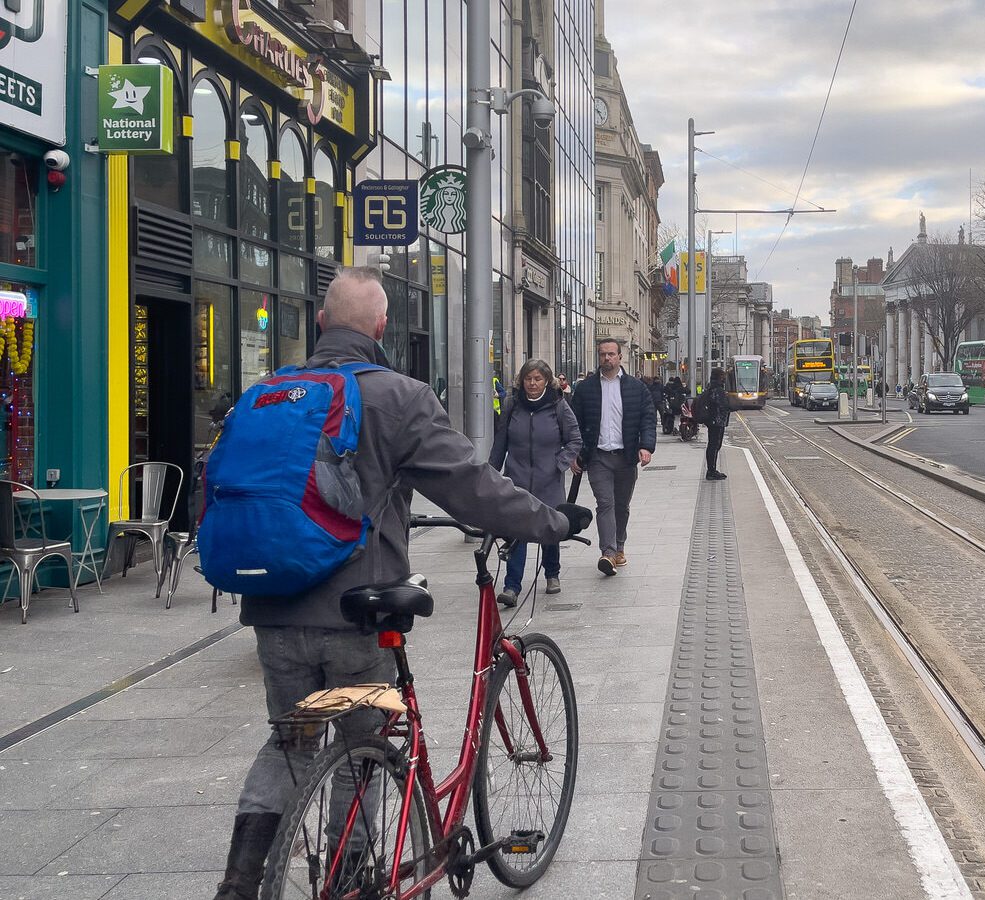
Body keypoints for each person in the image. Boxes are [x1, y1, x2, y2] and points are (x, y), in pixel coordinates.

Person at [211, 267, 584, 900]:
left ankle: (242, 884)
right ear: (381, 328)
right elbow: (473, 487)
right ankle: (351, 882)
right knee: (364, 751)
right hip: (355, 615)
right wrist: (550, 521)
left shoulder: (271, 390)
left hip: (272, 610)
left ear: (322, 322)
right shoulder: (396, 395)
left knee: (291, 743)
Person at [490, 358, 582, 603]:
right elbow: (501, 442)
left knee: (549, 529)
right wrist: (491, 472)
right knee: (517, 531)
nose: (532, 383)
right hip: (517, 478)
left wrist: (559, 463)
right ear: (522, 380)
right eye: (528, 379)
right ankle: (512, 587)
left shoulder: (558, 406)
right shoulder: (511, 404)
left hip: (548, 480)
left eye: (537, 379)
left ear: (546, 381)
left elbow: (574, 439)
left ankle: (552, 574)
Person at [570, 337, 656, 576]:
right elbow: (574, 423)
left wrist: (646, 446)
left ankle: (619, 546)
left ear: (620, 357)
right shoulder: (585, 388)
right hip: (598, 457)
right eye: (602, 354)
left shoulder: (636, 388)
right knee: (605, 503)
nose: (606, 358)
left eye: (610, 354)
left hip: (626, 456)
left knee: (621, 506)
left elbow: (647, 419)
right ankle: (607, 553)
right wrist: (574, 452)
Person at [696, 368, 732, 480]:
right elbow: (724, 406)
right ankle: (711, 471)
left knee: (713, 445)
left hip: (713, 421)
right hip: (717, 421)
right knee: (714, 445)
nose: (724, 378)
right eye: (723, 376)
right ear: (720, 377)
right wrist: (736, 406)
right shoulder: (718, 390)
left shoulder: (711, 387)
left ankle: (711, 470)